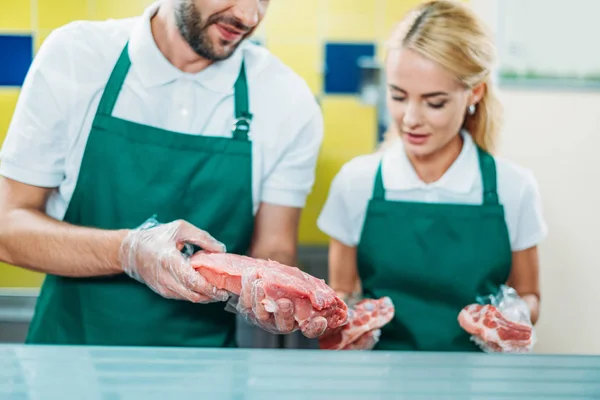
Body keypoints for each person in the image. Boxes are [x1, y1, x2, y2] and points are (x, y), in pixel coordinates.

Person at [0, 0, 324, 348]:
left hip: (205, 372)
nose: (249, 16)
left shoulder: (288, 99)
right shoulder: (76, 57)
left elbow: (275, 247)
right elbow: (7, 226)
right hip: (68, 358)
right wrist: (128, 251)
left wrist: (276, 297)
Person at [316, 0, 547, 352]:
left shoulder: (512, 188)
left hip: (479, 383)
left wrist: (512, 318)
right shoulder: (355, 183)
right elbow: (342, 295)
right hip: (381, 381)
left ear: (474, 92)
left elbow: (531, 296)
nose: (410, 118)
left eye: (434, 102)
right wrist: (349, 330)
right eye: (397, 96)